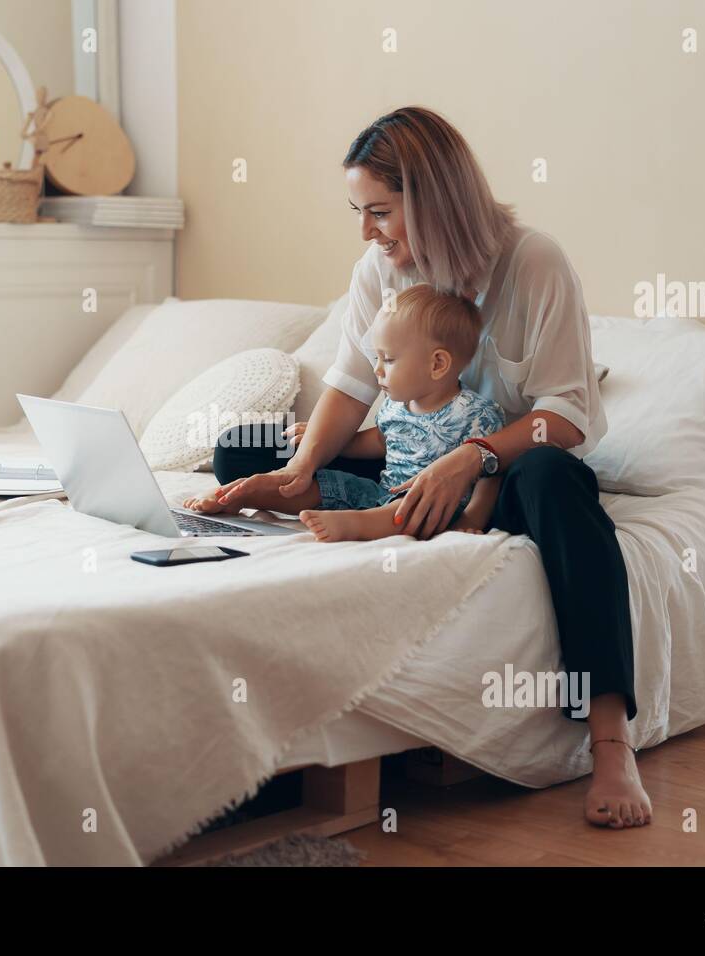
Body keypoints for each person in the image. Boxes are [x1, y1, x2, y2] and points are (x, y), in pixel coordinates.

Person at [208, 106, 651, 829]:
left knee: (555, 479)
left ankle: (610, 742)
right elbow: (353, 386)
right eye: (359, 211)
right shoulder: (376, 271)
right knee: (242, 448)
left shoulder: (534, 263)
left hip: (506, 478)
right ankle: (319, 491)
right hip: (403, 463)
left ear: (434, 198)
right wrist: (304, 463)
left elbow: (563, 414)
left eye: (379, 211)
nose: (366, 231)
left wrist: (469, 459)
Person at [186, 284, 505, 542]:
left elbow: (490, 476)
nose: (377, 370)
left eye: (389, 360)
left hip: (433, 507)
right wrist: (320, 437)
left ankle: (354, 525)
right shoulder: (396, 405)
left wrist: (470, 519)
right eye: (377, 358)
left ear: (437, 364)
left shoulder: (476, 414)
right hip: (380, 490)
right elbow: (378, 442)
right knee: (324, 486)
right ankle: (246, 494)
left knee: (404, 510)